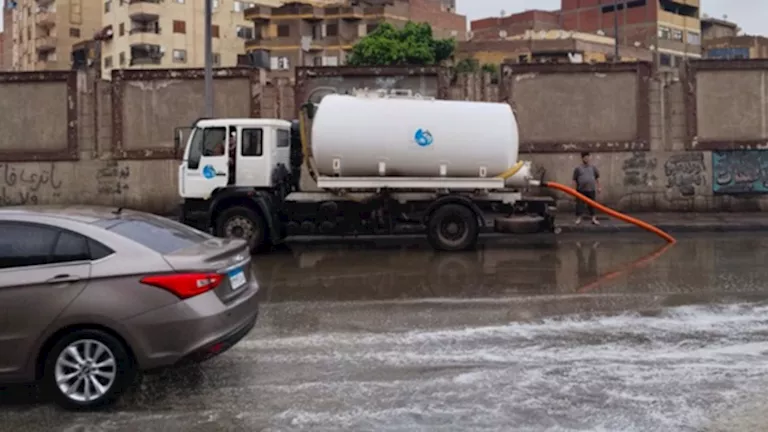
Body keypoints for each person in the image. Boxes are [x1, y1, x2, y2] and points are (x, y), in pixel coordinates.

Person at [572, 151, 601, 225]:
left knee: (592, 205)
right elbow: (574, 180)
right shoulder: (578, 168)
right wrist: (574, 190)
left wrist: (599, 187)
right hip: (581, 190)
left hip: (591, 189)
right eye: (585, 158)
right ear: (582, 159)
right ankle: (579, 219)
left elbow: (597, 178)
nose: (586, 159)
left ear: (589, 158)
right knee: (579, 205)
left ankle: (593, 219)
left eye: (587, 157)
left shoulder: (593, 168)